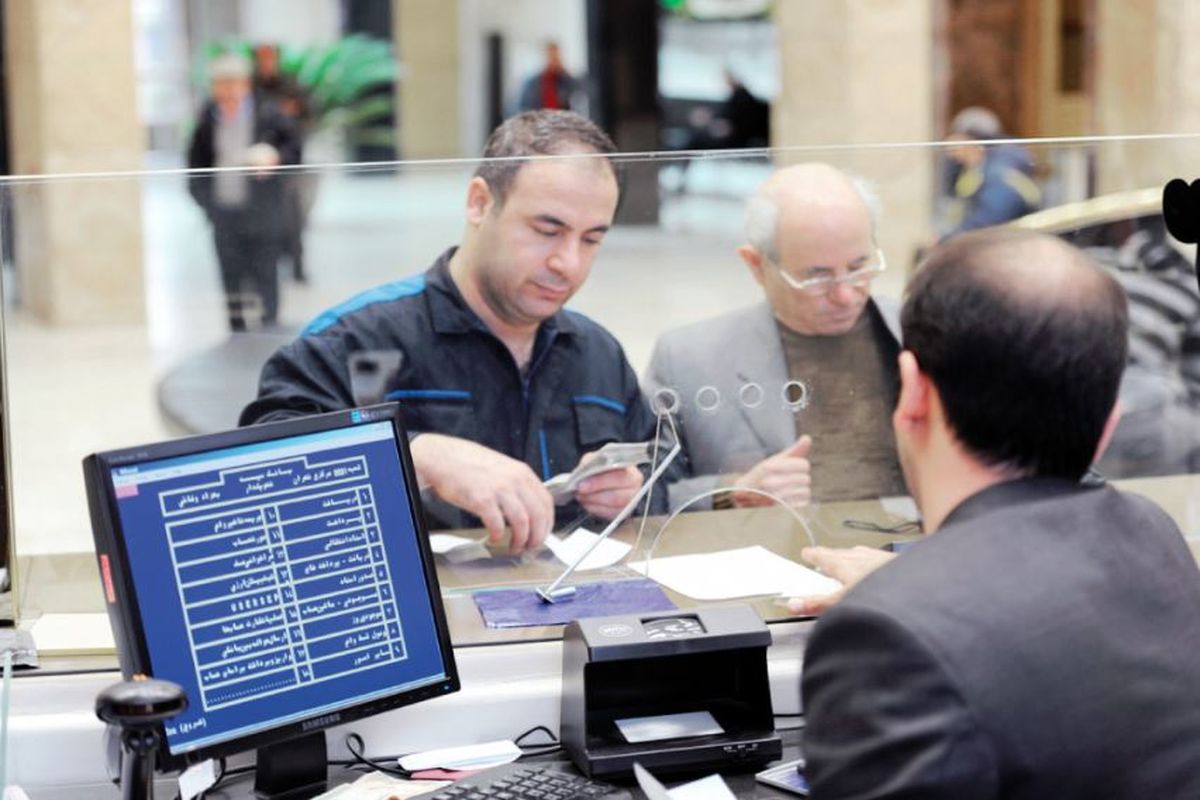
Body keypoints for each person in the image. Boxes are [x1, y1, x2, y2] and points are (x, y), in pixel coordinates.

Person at [798, 228, 1200, 798]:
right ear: (1109, 419)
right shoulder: (1151, 531)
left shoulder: (884, 634)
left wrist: (911, 598)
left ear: (912, 393)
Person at [241, 110, 663, 552]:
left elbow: (663, 475)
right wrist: (417, 456)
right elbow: (261, 477)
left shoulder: (598, 355)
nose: (569, 263)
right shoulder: (354, 339)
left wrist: (629, 492)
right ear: (480, 203)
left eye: (591, 239)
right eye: (547, 230)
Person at [643, 163, 905, 511]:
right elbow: (643, 497)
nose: (845, 295)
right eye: (817, 277)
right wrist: (730, 491)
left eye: (859, 267)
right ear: (756, 266)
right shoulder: (690, 359)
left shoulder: (923, 335)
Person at [188, 52, 301, 331]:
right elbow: (195, 164)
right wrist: (207, 205)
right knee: (231, 275)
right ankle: (237, 330)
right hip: (225, 212)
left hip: (262, 212)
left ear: (245, 84)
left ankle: (268, 327)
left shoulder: (268, 113)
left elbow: (294, 150)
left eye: (232, 83)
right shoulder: (207, 118)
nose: (226, 91)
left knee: (265, 272)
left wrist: (275, 157)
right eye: (220, 84)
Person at [253, 43, 313, 284]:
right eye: (262, 58)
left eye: (270, 58)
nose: (266, 63)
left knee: (293, 218)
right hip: (258, 163)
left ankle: (298, 268)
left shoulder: (290, 84)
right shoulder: (253, 86)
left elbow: (306, 114)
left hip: (287, 162)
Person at [940, 106, 1041, 239]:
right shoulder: (977, 171)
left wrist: (947, 240)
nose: (950, 148)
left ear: (970, 140)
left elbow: (989, 220)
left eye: (955, 139)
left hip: (1007, 247)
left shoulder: (998, 173)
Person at [518, 42, 580, 112]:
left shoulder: (565, 80)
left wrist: (565, 73)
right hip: (540, 120)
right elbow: (525, 107)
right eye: (550, 57)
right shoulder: (532, 83)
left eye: (556, 57)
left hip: (561, 120)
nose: (553, 61)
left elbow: (578, 94)